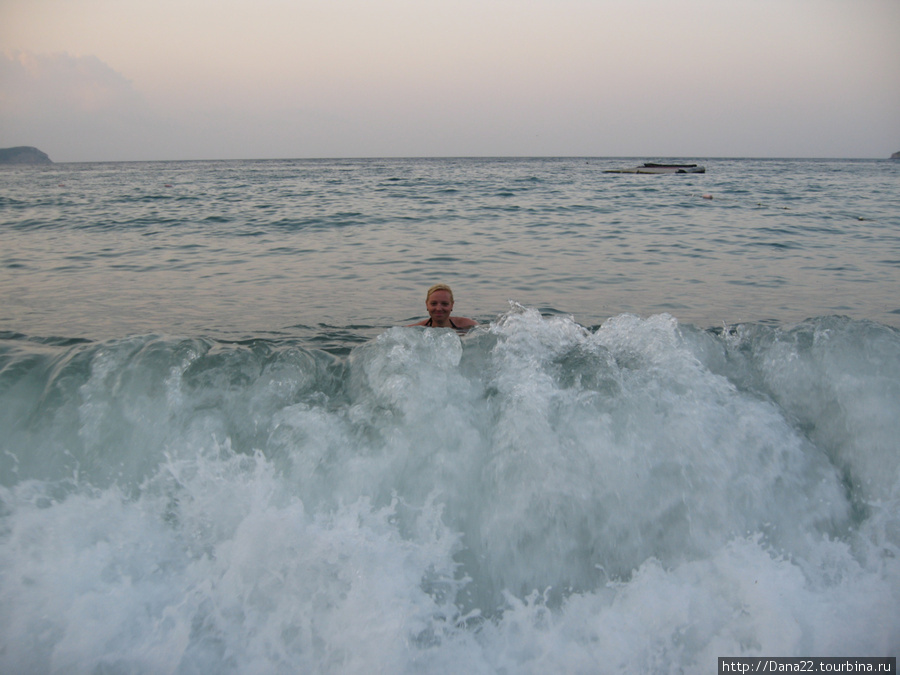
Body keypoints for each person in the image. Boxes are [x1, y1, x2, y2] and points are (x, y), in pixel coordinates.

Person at [407, 283, 477, 331]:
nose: (439, 309)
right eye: (433, 303)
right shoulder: (416, 329)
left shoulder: (467, 325)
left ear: (452, 305)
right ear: (427, 304)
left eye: (445, 304)